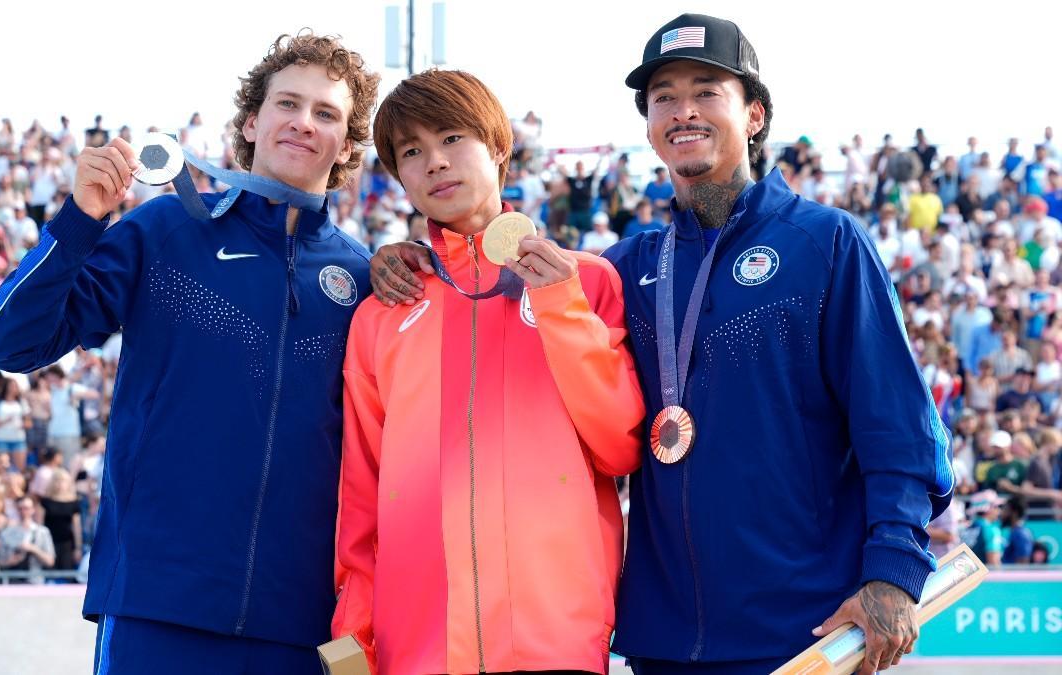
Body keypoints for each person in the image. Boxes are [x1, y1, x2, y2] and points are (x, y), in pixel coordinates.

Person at [370, 14, 952, 674]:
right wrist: (410, 253)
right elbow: (492, 297)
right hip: (664, 638)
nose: (683, 111)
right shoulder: (623, 267)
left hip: (805, 627)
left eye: (707, 91)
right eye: (663, 98)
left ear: (755, 114)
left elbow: (900, 427)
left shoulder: (826, 244)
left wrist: (894, 571)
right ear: (648, 125)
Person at [0, 32, 379, 672]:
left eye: (326, 113)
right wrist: (82, 218)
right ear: (251, 122)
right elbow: (14, 342)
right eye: (287, 103)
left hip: (301, 622)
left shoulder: (363, 280)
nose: (303, 123)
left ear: (347, 146)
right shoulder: (165, 230)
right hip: (157, 602)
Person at [335, 69, 644, 674]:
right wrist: (353, 640)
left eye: (451, 138)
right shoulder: (383, 311)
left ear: (498, 146)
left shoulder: (586, 281)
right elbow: (362, 496)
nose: (435, 163)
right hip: (417, 647)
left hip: (557, 639)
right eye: (412, 152)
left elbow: (621, 447)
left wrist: (560, 307)